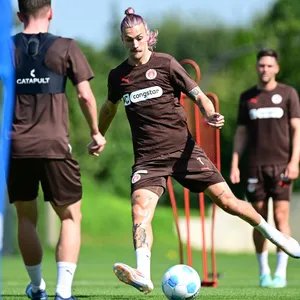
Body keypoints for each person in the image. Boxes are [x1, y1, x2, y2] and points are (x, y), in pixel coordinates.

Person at [88, 8, 300, 294]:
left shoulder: (166, 64)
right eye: (129, 40)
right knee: (140, 211)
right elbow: (109, 108)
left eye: (139, 38)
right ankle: (144, 274)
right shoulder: (118, 76)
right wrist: (98, 133)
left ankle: (274, 235)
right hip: (148, 159)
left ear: (147, 36)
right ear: (122, 40)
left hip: (184, 151)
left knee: (228, 202)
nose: (135, 45)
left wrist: (209, 114)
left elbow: (198, 95)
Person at [9, 1, 106, 299]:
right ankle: (63, 292)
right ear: (51, 12)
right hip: (54, 145)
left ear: (19, 15)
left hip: (16, 146)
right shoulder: (66, 47)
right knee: (70, 216)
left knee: (26, 218)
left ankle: (37, 287)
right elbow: (86, 96)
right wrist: (95, 131)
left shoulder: (6, 47)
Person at [230, 49, 300, 288]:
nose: (265, 69)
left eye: (269, 65)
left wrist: (294, 162)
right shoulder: (247, 97)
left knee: (281, 218)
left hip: (281, 165)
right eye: (261, 65)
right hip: (254, 167)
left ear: (276, 68)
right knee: (259, 220)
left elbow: (296, 130)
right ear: (256, 68)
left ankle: (281, 273)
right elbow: (241, 133)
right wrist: (235, 163)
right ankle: (264, 272)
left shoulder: (288, 94)